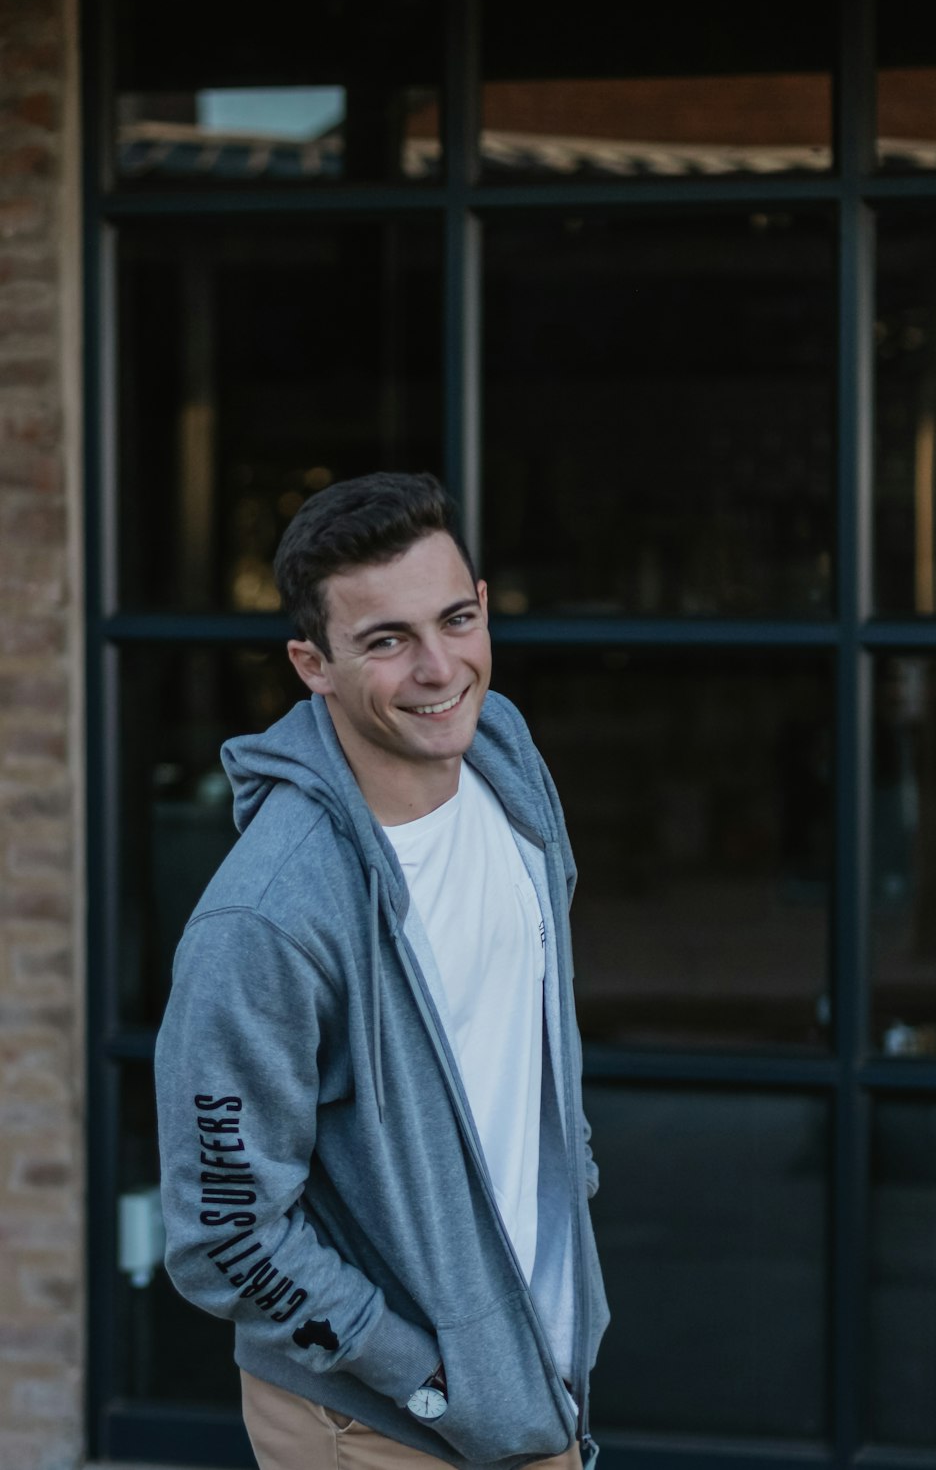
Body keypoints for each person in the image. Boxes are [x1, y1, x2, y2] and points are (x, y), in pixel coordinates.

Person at [154, 472, 609, 1470]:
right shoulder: (268, 918)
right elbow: (221, 1234)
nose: (439, 669)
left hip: (530, 1374)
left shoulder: (502, 753)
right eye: (386, 641)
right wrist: (418, 1370)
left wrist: (567, 1175)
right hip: (374, 1421)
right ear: (311, 664)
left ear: (484, 605)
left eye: (455, 620)